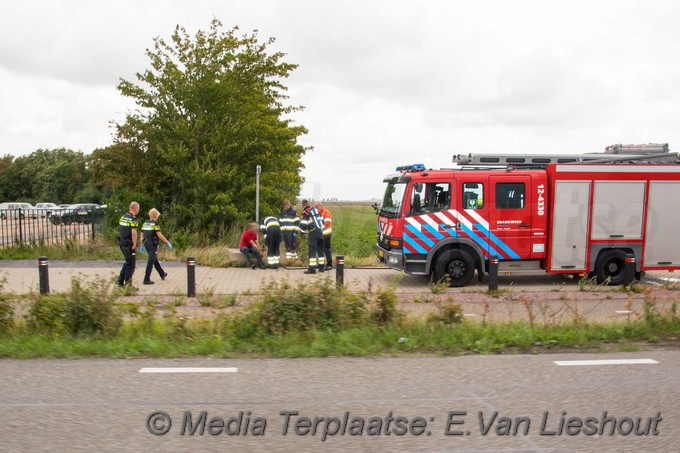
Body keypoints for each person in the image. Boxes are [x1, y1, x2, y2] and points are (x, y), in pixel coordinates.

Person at [140, 208, 172, 285]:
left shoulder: (145, 224)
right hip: (152, 244)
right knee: (151, 261)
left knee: (154, 259)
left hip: (146, 244)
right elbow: (159, 235)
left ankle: (162, 274)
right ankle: (146, 279)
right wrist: (167, 242)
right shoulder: (155, 224)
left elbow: (141, 234)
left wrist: (141, 244)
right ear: (155, 215)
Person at [117, 201, 139, 289]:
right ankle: (128, 284)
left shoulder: (123, 217)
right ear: (135, 208)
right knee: (131, 264)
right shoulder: (133, 219)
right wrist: (134, 243)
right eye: (138, 208)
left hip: (122, 243)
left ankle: (120, 281)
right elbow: (133, 232)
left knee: (127, 262)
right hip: (128, 244)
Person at [299, 199, 325, 274]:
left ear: (302, 205)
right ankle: (321, 267)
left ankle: (312, 269)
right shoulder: (316, 211)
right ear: (308, 204)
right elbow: (322, 221)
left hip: (313, 233)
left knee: (312, 250)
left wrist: (302, 232)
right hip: (320, 232)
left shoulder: (305, 213)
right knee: (320, 250)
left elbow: (303, 225)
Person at [315, 201, 333, 271]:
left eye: (316, 207)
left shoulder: (326, 212)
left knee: (327, 249)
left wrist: (319, 228)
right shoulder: (318, 213)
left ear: (320, 206)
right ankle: (321, 264)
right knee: (319, 249)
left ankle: (329, 264)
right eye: (315, 207)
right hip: (320, 234)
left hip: (326, 234)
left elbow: (327, 223)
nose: (315, 208)